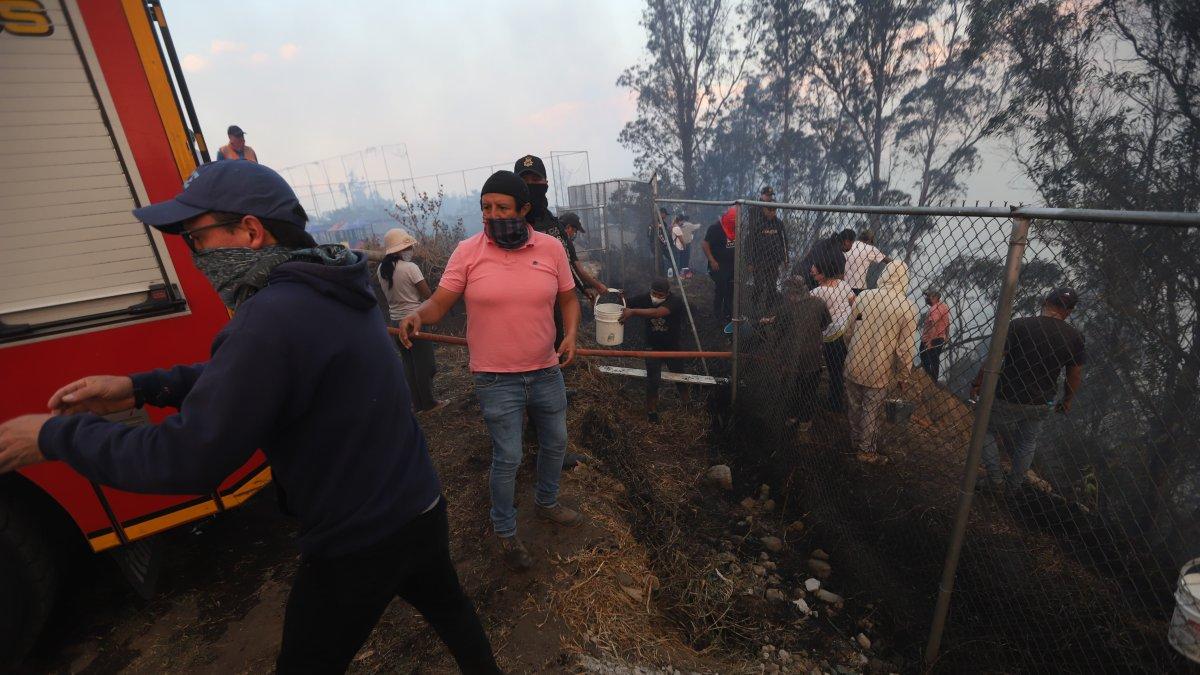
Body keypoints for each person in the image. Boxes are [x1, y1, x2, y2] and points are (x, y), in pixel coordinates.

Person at [0, 161, 499, 673]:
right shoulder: (335, 281)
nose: (194, 255)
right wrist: (141, 387)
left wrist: (55, 436)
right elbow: (256, 376)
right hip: (418, 503)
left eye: (197, 238)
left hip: (358, 539)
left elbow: (187, 456)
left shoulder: (272, 314)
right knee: (452, 610)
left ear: (250, 231)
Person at [398, 171, 582, 571]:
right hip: (496, 379)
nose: (492, 214)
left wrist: (570, 335)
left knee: (555, 443)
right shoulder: (468, 252)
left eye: (501, 207)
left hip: (546, 370)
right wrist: (418, 315)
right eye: (486, 207)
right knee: (509, 456)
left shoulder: (550, 248)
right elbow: (440, 303)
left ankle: (547, 501)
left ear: (524, 209)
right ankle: (505, 529)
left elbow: (569, 298)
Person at [973, 288, 1085, 491]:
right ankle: (1014, 487)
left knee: (985, 429)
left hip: (1007, 395)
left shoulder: (1020, 325)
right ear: (1069, 311)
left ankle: (995, 479)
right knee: (1027, 441)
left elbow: (996, 356)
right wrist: (1067, 399)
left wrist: (978, 382)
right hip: (1041, 401)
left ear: (1045, 302)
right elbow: (1074, 374)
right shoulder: (1074, 337)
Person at [844, 260, 919, 463]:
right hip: (880, 369)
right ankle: (866, 450)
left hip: (854, 361)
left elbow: (850, 329)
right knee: (871, 410)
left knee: (854, 405)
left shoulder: (864, 297)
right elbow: (904, 349)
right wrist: (903, 375)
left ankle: (855, 439)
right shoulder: (907, 308)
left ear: (884, 274)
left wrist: (852, 348)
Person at [514, 155, 607, 302]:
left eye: (536, 179)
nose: (530, 184)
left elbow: (570, 264)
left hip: (556, 302)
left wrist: (585, 288)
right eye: (524, 180)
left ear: (546, 183)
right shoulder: (509, 226)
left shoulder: (554, 227)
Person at [379, 228, 445, 413]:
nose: (410, 250)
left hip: (395, 322)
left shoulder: (381, 269)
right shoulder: (410, 268)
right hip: (414, 321)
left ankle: (417, 404)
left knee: (409, 363)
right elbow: (427, 295)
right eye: (408, 247)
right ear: (400, 249)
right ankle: (429, 404)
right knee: (426, 364)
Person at [761, 277, 830, 431]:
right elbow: (824, 324)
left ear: (790, 294)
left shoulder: (786, 309)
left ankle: (792, 416)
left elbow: (779, 331)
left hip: (791, 356)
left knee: (792, 387)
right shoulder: (819, 303)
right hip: (813, 355)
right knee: (809, 390)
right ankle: (805, 421)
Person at [621, 278, 690, 423]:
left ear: (667, 293)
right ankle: (651, 411)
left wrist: (633, 312)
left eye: (660, 295)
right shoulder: (645, 298)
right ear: (650, 290)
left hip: (672, 346)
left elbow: (658, 313)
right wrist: (621, 297)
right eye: (654, 293)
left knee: (679, 376)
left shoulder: (675, 301)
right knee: (653, 379)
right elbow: (625, 304)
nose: (656, 297)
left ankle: (687, 403)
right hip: (652, 345)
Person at [810, 257, 856, 412]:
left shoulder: (818, 292)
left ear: (823, 274)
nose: (812, 274)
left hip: (833, 335)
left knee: (834, 370)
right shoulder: (843, 284)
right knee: (842, 368)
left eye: (815, 273)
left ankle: (834, 403)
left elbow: (804, 304)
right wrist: (858, 322)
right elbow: (855, 304)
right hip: (848, 331)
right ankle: (843, 399)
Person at [747, 202, 789, 314]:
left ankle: (768, 309)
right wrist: (750, 262)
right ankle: (754, 306)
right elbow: (750, 243)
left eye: (774, 210)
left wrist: (786, 259)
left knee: (772, 286)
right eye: (769, 210)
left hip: (774, 262)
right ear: (764, 210)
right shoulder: (758, 223)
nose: (771, 213)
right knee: (759, 285)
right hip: (759, 261)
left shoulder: (779, 223)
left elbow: (784, 242)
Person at [703, 206, 738, 334]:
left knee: (731, 289)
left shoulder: (737, 229)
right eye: (733, 220)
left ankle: (728, 314)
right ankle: (717, 314)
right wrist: (712, 260)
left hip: (732, 265)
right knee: (721, 288)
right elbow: (705, 244)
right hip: (718, 265)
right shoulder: (715, 228)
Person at [844, 229, 890, 294]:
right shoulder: (870, 248)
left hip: (843, 285)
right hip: (858, 287)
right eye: (872, 242)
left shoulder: (849, 245)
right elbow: (888, 261)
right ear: (869, 240)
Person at [920, 289, 951, 382]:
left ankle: (928, 379)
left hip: (931, 338)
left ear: (935, 298)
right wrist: (947, 336)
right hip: (940, 338)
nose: (927, 298)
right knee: (934, 359)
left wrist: (930, 341)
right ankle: (933, 380)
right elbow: (947, 323)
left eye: (929, 296)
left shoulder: (934, 309)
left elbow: (934, 324)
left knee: (925, 357)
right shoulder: (944, 307)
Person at [671, 214, 701, 278]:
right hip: (686, 244)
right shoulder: (689, 225)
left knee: (680, 259)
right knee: (686, 259)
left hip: (678, 244)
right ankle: (683, 273)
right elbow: (697, 226)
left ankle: (679, 273)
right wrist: (700, 223)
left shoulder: (678, 225)